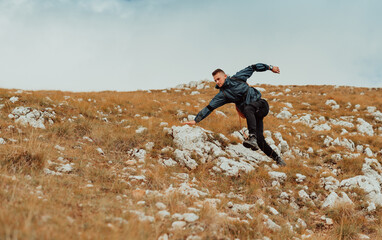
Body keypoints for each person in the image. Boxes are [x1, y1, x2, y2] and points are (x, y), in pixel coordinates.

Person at [183, 63, 286, 166]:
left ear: (225, 76)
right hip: (254, 115)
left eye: (218, 79)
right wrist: (196, 120)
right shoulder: (222, 95)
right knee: (260, 141)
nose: (217, 82)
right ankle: (278, 159)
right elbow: (210, 107)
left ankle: (252, 137)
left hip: (261, 106)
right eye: (215, 80)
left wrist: (270, 67)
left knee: (248, 108)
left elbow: (253, 67)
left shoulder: (238, 78)